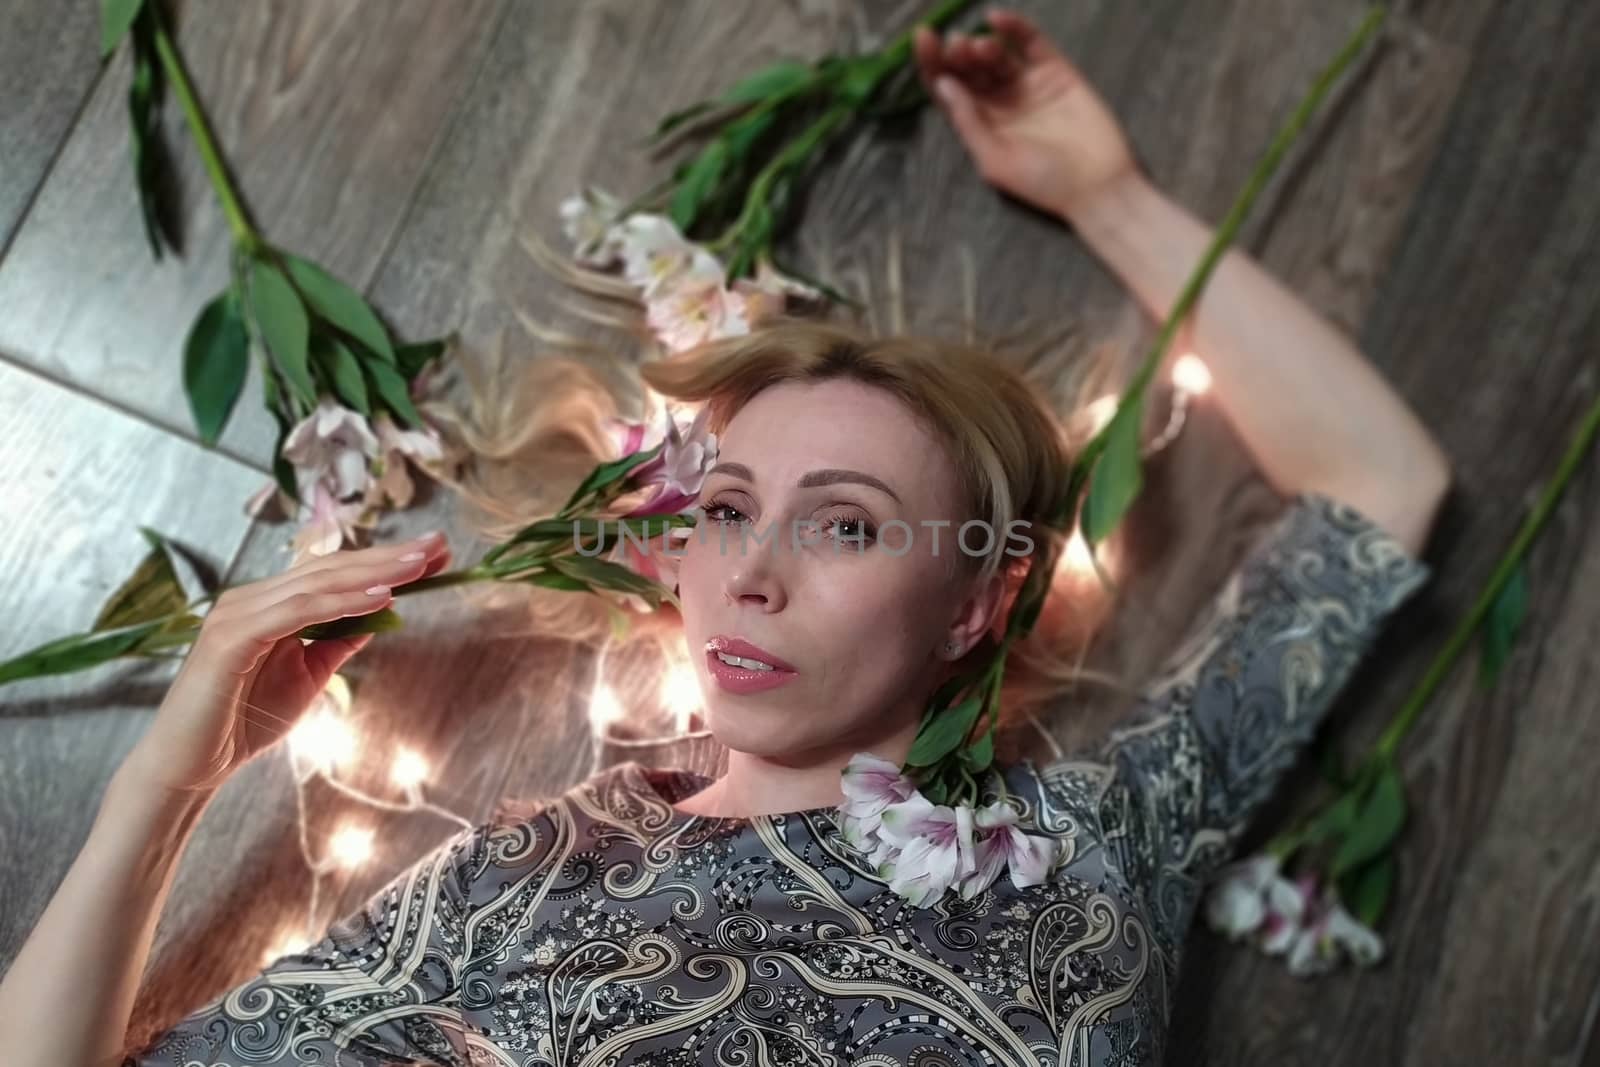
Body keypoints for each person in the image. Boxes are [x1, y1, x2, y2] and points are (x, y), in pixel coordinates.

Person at [0, 8, 1453, 1066]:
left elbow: (1379, 481)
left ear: (978, 601)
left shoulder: (1092, 838)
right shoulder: (527, 876)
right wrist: (168, 780)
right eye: (725, 509)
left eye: (845, 523)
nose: (752, 570)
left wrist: (1107, 195)